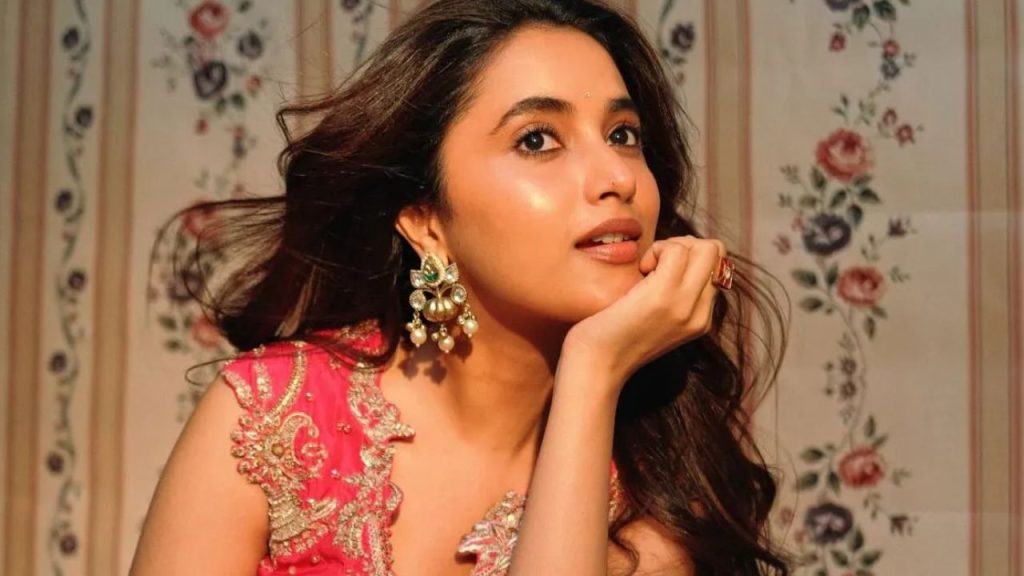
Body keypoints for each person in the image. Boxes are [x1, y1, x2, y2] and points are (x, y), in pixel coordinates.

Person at [130, 0, 790, 574]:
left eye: (623, 135)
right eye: (538, 140)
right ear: (427, 220)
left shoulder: (657, 491)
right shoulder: (269, 420)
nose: (616, 177)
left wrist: (592, 372)